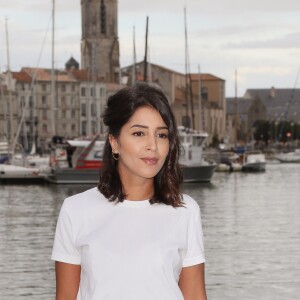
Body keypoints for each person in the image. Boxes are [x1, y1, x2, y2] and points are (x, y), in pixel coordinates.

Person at [51, 83, 207, 300]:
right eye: (139, 133)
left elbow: (195, 295)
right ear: (114, 142)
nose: (152, 145)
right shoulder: (76, 210)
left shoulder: (185, 210)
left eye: (161, 135)